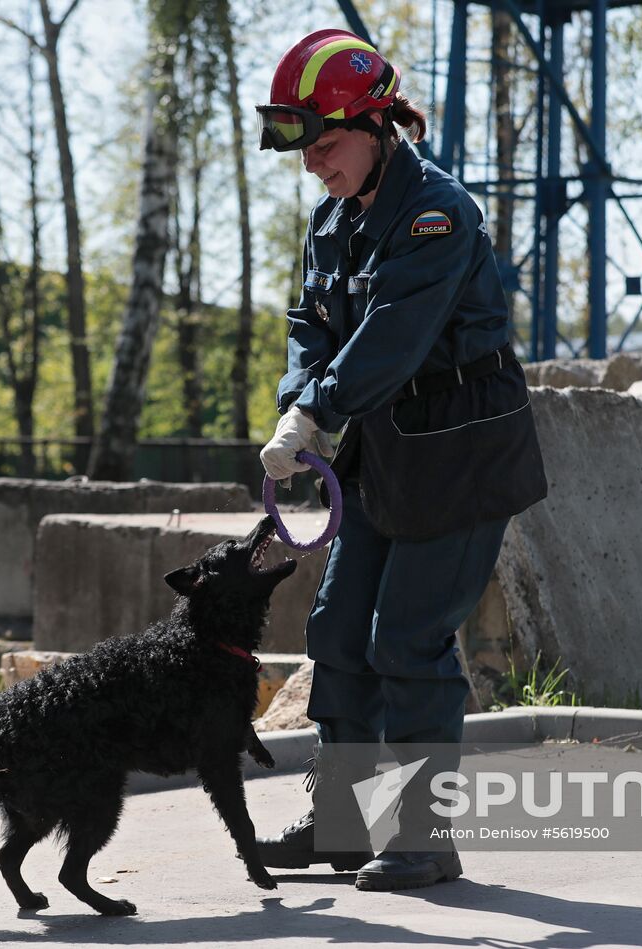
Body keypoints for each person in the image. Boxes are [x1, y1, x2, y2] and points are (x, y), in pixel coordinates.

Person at [254, 29, 548, 892]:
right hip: (386, 454)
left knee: (408, 639)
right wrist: (295, 397)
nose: (314, 162)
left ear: (376, 124)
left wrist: (317, 411)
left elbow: (393, 336)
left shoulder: (435, 213)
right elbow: (312, 326)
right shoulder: (334, 217)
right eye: (304, 146)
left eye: (327, 142)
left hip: (460, 454)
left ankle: (425, 838)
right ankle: (343, 824)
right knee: (339, 633)